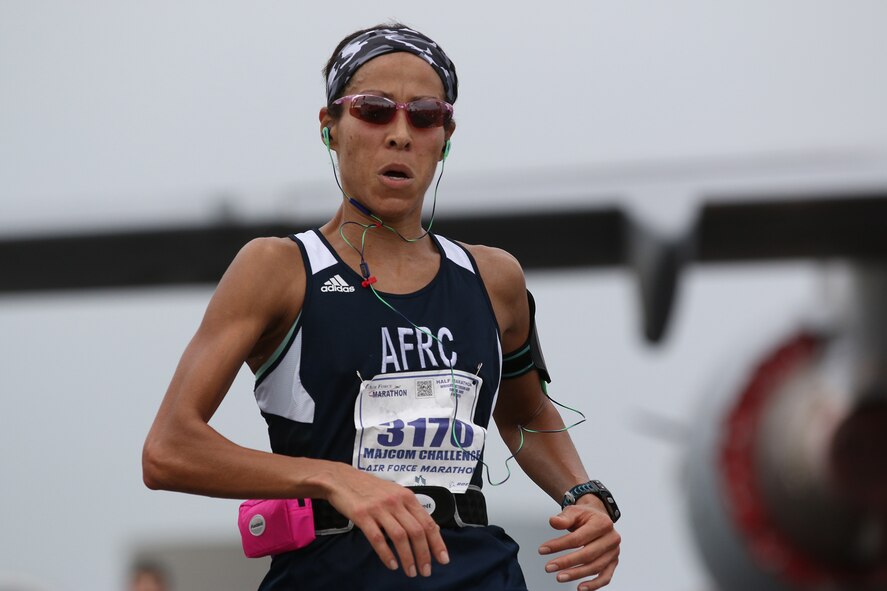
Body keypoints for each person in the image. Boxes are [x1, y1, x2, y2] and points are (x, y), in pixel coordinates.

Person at [142, 23, 621, 591]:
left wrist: (584, 494)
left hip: (476, 571)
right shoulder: (278, 269)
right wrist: (335, 480)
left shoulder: (493, 278)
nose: (400, 134)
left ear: (445, 135)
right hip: (330, 574)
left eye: (422, 115)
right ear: (330, 128)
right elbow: (168, 450)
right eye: (373, 110)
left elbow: (523, 413)